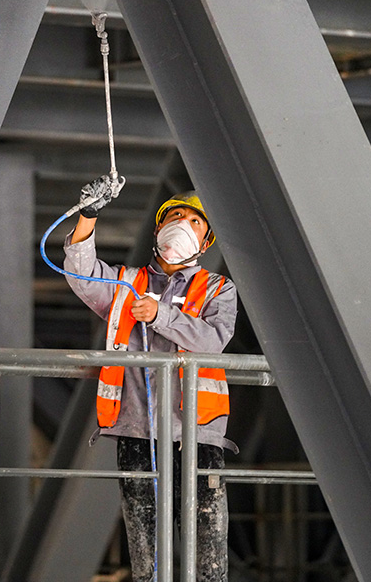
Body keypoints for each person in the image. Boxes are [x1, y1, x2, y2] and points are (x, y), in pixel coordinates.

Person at [63, 176, 238, 582]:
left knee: (208, 550)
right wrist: (88, 215)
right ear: (158, 228)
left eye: (194, 221)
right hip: (137, 430)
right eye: (174, 216)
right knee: (145, 553)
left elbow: (212, 339)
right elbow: (82, 272)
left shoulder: (217, 289)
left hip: (198, 434)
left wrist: (160, 315)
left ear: (206, 240)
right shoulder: (125, 285)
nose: (182, 224)